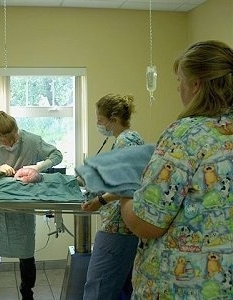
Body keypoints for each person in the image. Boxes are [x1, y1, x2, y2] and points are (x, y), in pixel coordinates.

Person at [118, 40, 233, 299]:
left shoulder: (186, 135)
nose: (178, 87)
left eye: (180, 79)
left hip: (184, 288)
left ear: (196, 84)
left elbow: (147, 223)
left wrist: (125, 193)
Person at [0, 111, 63, 300]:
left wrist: (37, 167)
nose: (10, 144)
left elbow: (57, 155)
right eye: (5, 141)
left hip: (22, 206)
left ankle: (27, 294)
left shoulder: (31, 141)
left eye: (12, 139)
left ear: (17, 131)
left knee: (26, 253)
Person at [81, 93, 144, 300]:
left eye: (100, 119)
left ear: (114, 118)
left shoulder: (127, 142)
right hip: (124, 228)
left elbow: (128, 185)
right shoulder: (128, 139)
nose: (98, 123)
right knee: (120, 289)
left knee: (98, 289)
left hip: (118, 229)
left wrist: (99, 200)